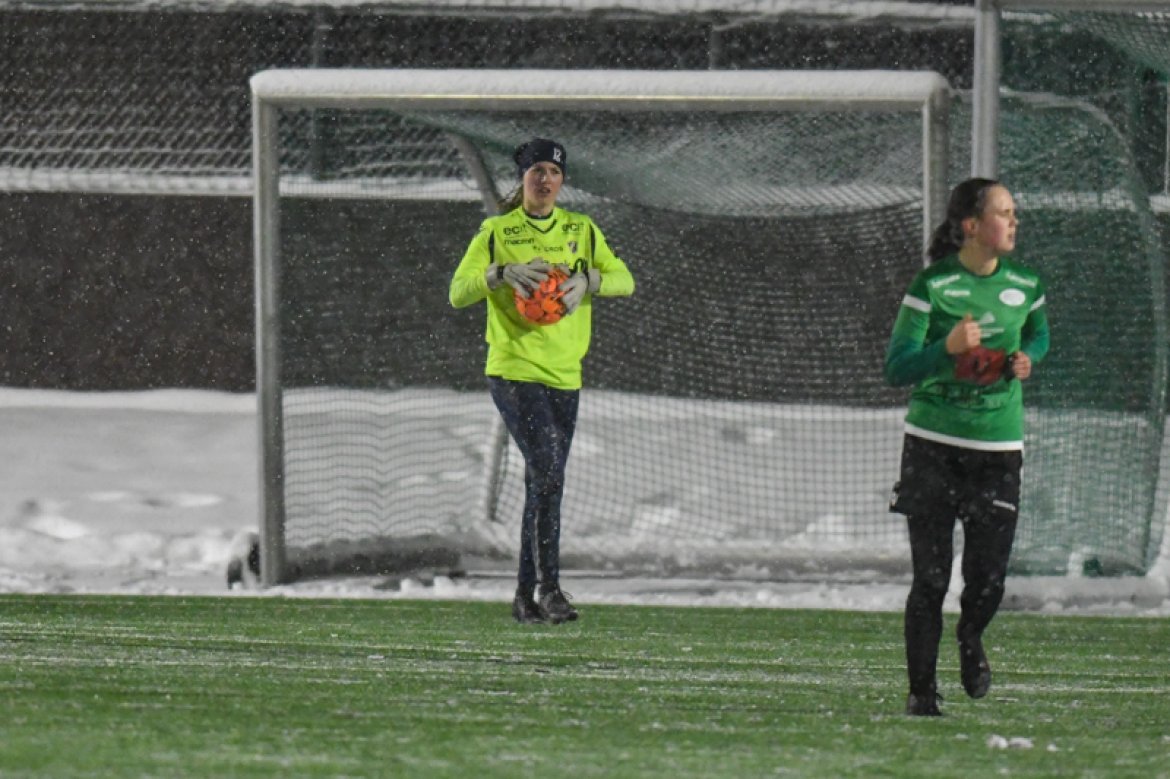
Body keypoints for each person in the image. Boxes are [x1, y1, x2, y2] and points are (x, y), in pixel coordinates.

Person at [449, 138, 635, 625]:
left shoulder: (581, 230)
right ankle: (550, 589)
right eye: (536, 171)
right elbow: (458, 293)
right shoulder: (497, 231)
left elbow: (625, 279)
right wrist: (500, 273)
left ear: (562, 179)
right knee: (550, 474)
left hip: (565, 373)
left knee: (543, 481)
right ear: (523, 177)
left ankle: (523, 595)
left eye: (553, 171)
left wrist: (588, 280)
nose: (545, 179)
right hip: (514, 370)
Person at [884, 178, 1050, 716]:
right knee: (930, 578)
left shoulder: (1025, 283)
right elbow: (897, 367)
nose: (1014, 221)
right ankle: (921, 694)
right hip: (933, 446)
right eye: (1004, 212)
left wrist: (1028, 358)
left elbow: (1039, 335)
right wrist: (946, 347)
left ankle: (971, 635)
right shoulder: (932, 285)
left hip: (998, 450)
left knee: (987, 579)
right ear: (972, 226)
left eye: (1013, 211)